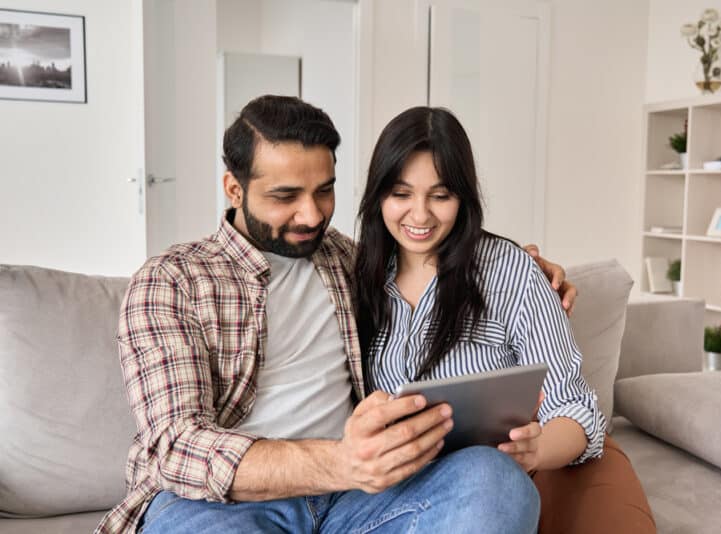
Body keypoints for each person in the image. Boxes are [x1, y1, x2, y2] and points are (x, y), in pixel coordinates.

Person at [95, 95, 576, 534]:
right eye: (285, 196)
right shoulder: (171, 280)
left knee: (495, 481)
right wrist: (342, 462)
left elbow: (432, 254)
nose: (310, 216)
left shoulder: (348, 261)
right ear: (234, 189)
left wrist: (527, 266)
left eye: (323, 191)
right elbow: (176, 446)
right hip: (225, 508)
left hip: (359, 501)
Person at [353, 106, 656, 533]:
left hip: (496, 484)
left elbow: (573, 405)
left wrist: (536, 450)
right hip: (393, 496)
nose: (419, 216)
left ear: (463, 196)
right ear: (378, 194)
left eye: (440, 196)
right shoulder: (353, 274)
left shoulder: (509, 272)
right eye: (401, 194)